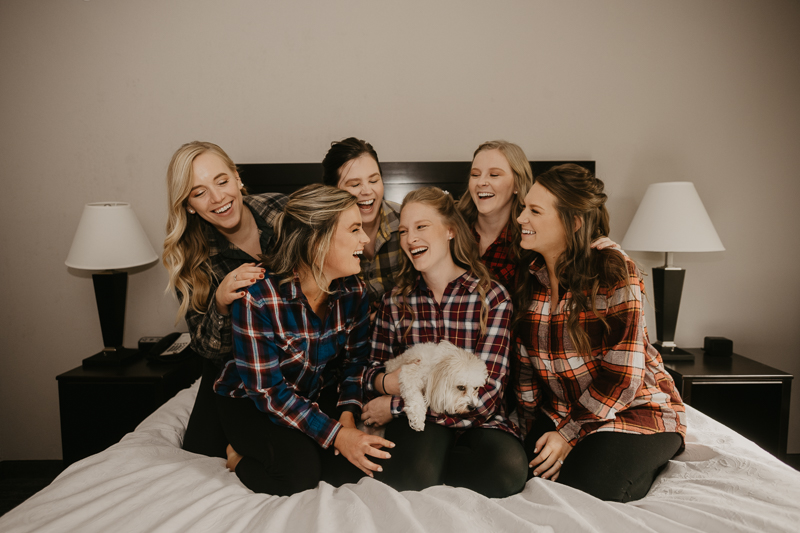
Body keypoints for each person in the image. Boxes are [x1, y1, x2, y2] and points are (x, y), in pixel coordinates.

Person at [513, 164, 686, 502]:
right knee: (525, 473)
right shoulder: (529, 277)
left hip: (635, 411)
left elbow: (623, 377)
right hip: (565, 412)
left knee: (589, 488)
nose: (520, 218)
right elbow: (525, 370)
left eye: (534, 210)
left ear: (573, 222)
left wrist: (567, 436)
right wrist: (527, 431)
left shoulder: (614, 270)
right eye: (523, 208)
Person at [214, 184, 394, 495]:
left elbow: (355, 364)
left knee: (355, 471)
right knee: (299, 476)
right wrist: (336, 434)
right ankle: (235, 457)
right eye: (354, 229)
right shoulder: (258, 296)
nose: (365, 240)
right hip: (251, 403)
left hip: (310, 391)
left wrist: (347, 418)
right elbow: (269, 391)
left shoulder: (355, 292)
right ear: (317, 239)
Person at [361, 186, 528, 498]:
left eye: (421, 227)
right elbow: (370, 374)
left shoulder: (492, 297)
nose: (410, 239)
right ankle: (429, 469)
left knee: (506, 471)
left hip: (480, 423)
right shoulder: (395, 302)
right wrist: (388, 384)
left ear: (450, 230)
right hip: (423, 425)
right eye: (403, 231)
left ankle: (436, 468)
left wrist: (396, 406)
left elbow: (486, 398)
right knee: (414, 475)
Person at [163, 141, 287, 458]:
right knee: (202, 454)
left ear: (237, 177)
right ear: (188, 204)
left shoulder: (283, 213)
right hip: (234, 368)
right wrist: (220, 304)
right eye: (199, 192)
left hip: (298, 358)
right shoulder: (191, 260)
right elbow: (206, 349)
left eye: (222, 181)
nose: (218, 198)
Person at [322, 137, 402, 318]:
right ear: (332, 190)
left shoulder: (405, 222)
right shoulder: (321, 237)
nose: (367, 191)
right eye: (355, 184)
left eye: (374, 181)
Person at [457, 140, 534, 295]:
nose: (481, 182)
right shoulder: (452, 228)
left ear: (517, 185)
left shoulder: (531, 235)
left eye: (494, 175)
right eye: (475, 175)